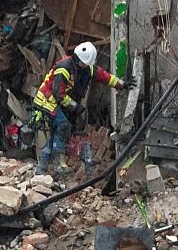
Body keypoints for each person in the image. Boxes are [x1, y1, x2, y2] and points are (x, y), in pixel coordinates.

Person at [31, 41, 134, 176]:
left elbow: (104, 76)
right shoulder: (64, 68)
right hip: (46, 100)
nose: (84, 67)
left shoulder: (87, 68)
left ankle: (42, 168)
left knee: (57, 132)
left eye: (87, 65)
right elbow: (58, 93)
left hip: (58, 102)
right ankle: (58, 165)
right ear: (77, 58)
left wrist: (122, 84)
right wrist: (75, 107)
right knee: (63, 126)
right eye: (83, 64)